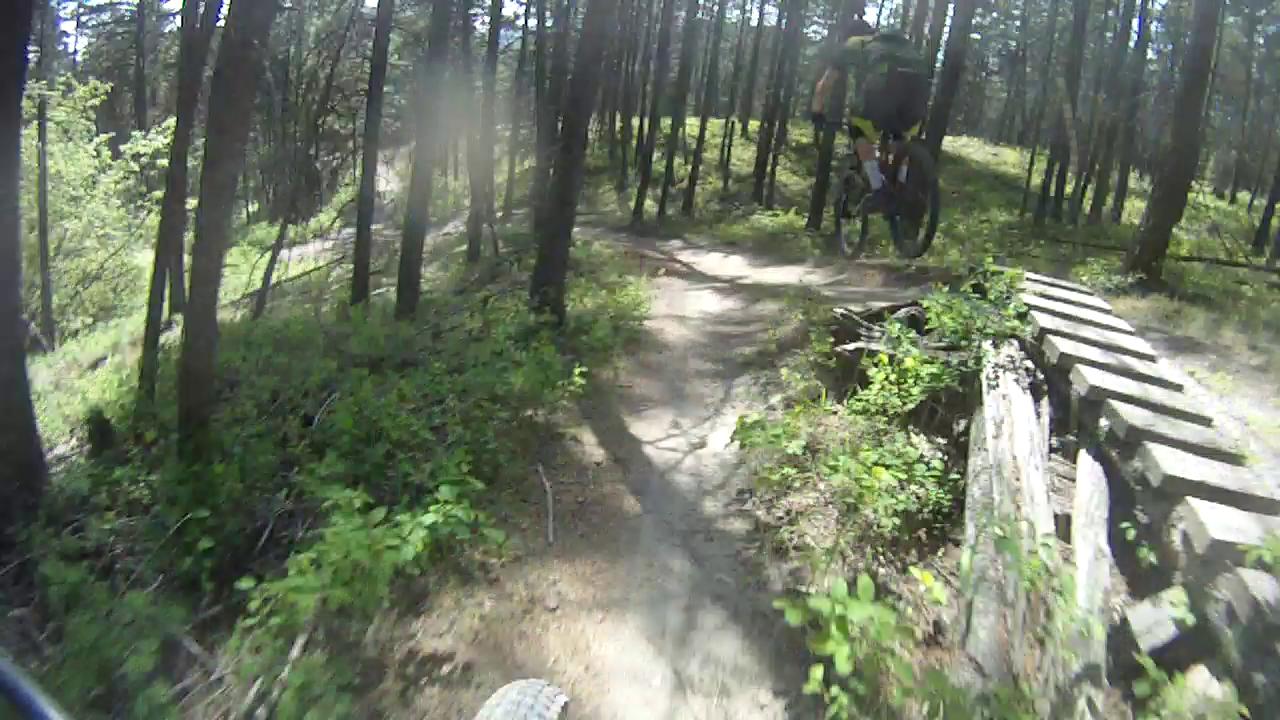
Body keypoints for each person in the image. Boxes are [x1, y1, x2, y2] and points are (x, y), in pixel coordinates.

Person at [809, 9, 931, 213]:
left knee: (858, 130)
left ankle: (878, 188)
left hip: (888, 85)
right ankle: (900, 184)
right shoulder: (895, 44)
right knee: (900, 138)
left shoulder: (854, 43)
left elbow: (824, 84)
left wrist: (817, 112)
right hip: (920, 90)